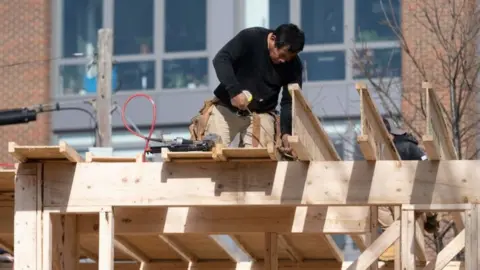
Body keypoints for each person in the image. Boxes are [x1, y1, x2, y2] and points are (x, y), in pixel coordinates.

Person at [189, 24, 305, 154]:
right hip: (226, 108)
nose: (284, 61)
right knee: (210, 153)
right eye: (282, 55)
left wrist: (285, 132)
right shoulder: (251, 37)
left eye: (289, 58)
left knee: (259, 163)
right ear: (273, 38)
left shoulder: (294, 66)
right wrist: (235, 92)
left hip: (261, 115)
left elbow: (289, 102)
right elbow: (221, 59)